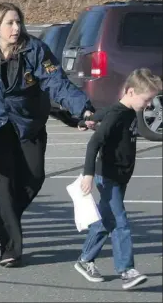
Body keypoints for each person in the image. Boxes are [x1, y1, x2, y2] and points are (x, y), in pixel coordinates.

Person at [0, 2, 94, 267]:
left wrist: (83, 109)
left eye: (18, 22)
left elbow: (58, 83)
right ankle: (10, 248)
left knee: (34, 178)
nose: (16, 28)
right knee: (4, 188)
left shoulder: (35, 50)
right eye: (10, 23)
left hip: (29, 124)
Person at [75, 68, 162, 290]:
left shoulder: (126, 110)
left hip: (120, 176)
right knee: (120, 222)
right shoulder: (118, 114)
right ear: (131, 92)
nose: (149, 105)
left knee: (107, 220)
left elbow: (103, 113)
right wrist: (88, 174)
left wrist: (89, 119)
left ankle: (85, 260)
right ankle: (126, 270)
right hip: (108, 176)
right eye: (147, 99)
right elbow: (94, 143)